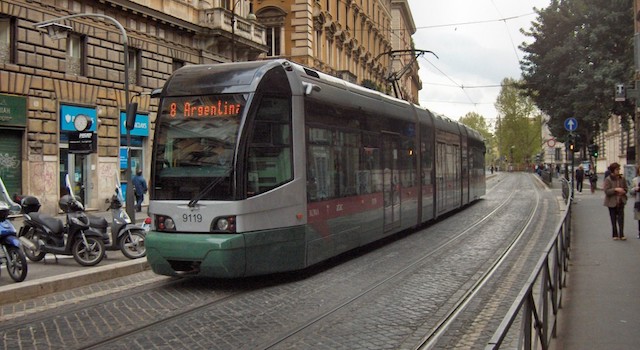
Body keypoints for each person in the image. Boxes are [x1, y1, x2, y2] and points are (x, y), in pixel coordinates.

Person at [603, 162, 628, 240]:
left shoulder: (622, 179)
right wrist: (615, 189)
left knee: (621, 218)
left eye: (619, 169)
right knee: (613, 219)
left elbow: (626, 188)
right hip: (611, 202)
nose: (618, 171)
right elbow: (606, 191)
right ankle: (615, 234)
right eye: (617, 169)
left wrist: (623, 191)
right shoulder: (608, 179)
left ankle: (621, 234)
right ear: (613, 170)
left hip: (621, 201)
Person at [630, 167, 640, 238]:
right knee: (639, 218)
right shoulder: (635, 180)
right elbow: (631, 191)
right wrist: (635, 189)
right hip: (638, 201)